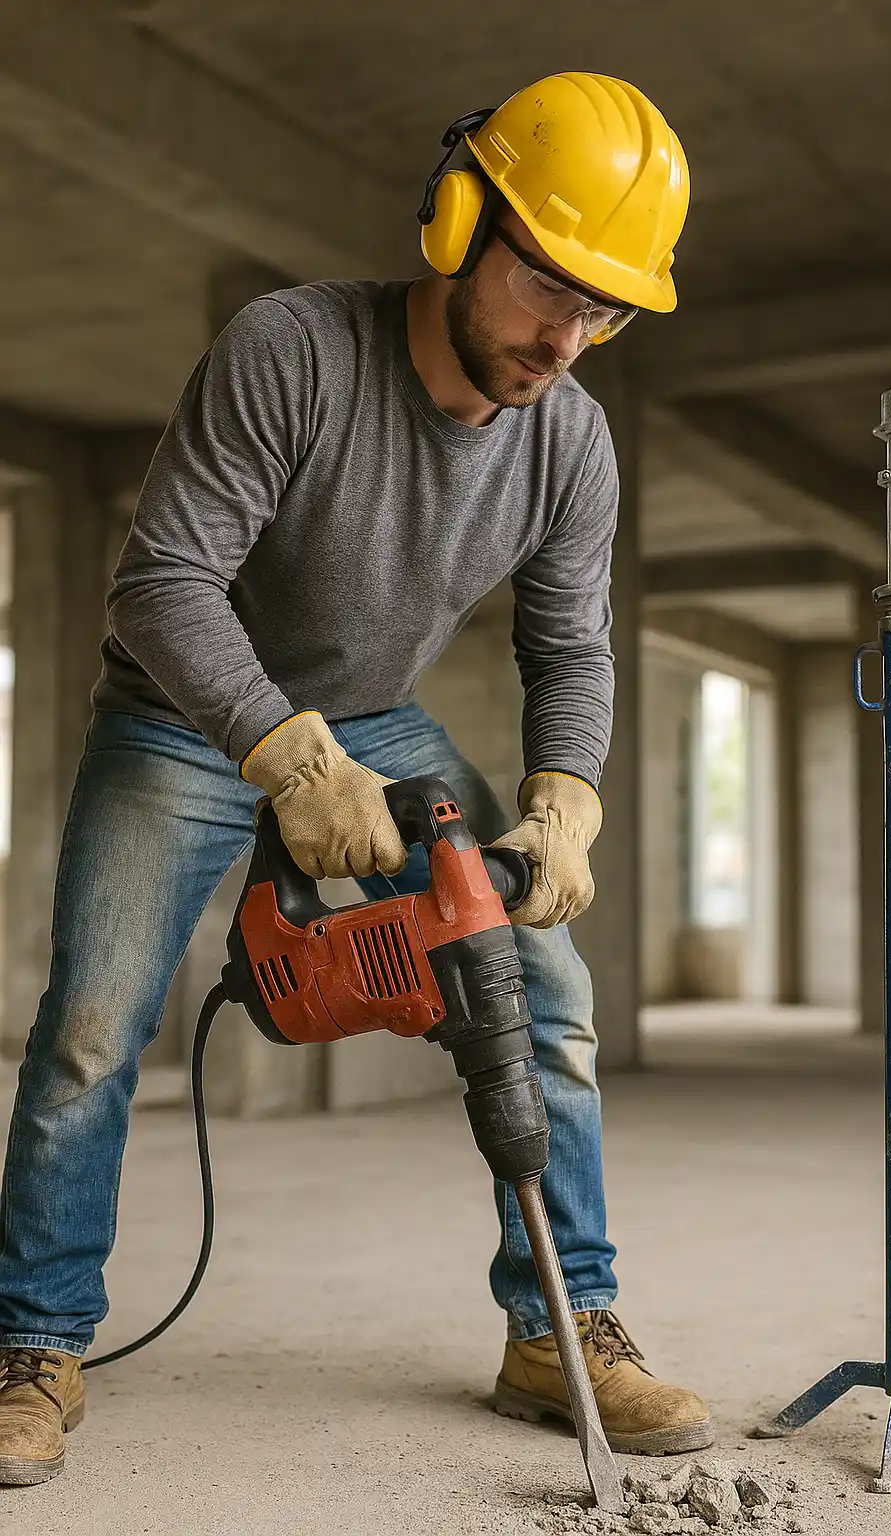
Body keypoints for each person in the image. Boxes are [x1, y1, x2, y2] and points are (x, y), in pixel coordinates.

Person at [0, 72, 712, 1485]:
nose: (567, 339)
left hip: (379, 723)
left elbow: (569, 646)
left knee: (549, 999)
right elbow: (163, 583)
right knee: (91, 1027)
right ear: (460, 222)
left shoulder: (569, 436)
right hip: (179, 721)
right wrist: (276, 751)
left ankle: (558, 1327)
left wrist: (567, 791)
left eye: (605, 309)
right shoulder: (295, 351)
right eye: (547, 286)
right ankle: (34, 1341)